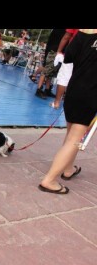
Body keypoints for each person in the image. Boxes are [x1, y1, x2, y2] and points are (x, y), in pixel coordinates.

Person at [38, 29, 97, 194]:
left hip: (73, 90)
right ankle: (49, 180)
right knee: (75, 139)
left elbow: (69, 56)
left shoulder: (82, 32)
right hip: (90, 93)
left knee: (71, 134)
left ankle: (68, 169)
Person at [49, 29, 79, 109]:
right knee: (80, 80)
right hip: (87, 55)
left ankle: (57, 102)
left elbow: (66, 36)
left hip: (72, 52)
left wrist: (59, 51)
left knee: (63, 78)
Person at [34, 29, 66, 99]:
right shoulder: (61, 31)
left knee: (51, 72)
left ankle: (47, 89)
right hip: (53, 51)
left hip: (55, 51)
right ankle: (39, 89)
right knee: (46, 70)